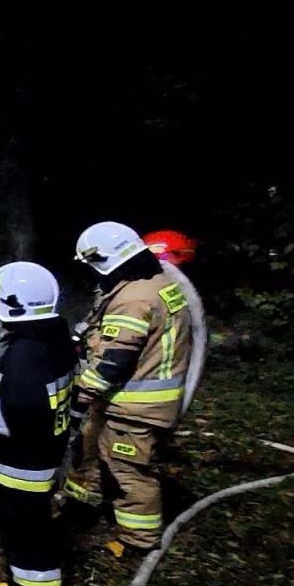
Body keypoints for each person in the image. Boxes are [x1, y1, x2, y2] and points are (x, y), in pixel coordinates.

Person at [65, 221, 196, 556]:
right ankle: (81, 507)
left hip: (137, 404)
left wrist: (80, 397)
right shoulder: (145, 282)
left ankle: (138, 541)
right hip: (117, 398)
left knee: (128, 469)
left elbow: (114, 360)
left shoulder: (135, 299)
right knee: (89, 448)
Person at [0, 261, 76, 586]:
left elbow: (18, 415)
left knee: (22, 528)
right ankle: (37, 581)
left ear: (13, 304)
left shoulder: (27, 355)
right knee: (33, 522)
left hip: (18, 464)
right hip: (43, 455)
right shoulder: (55, 340)